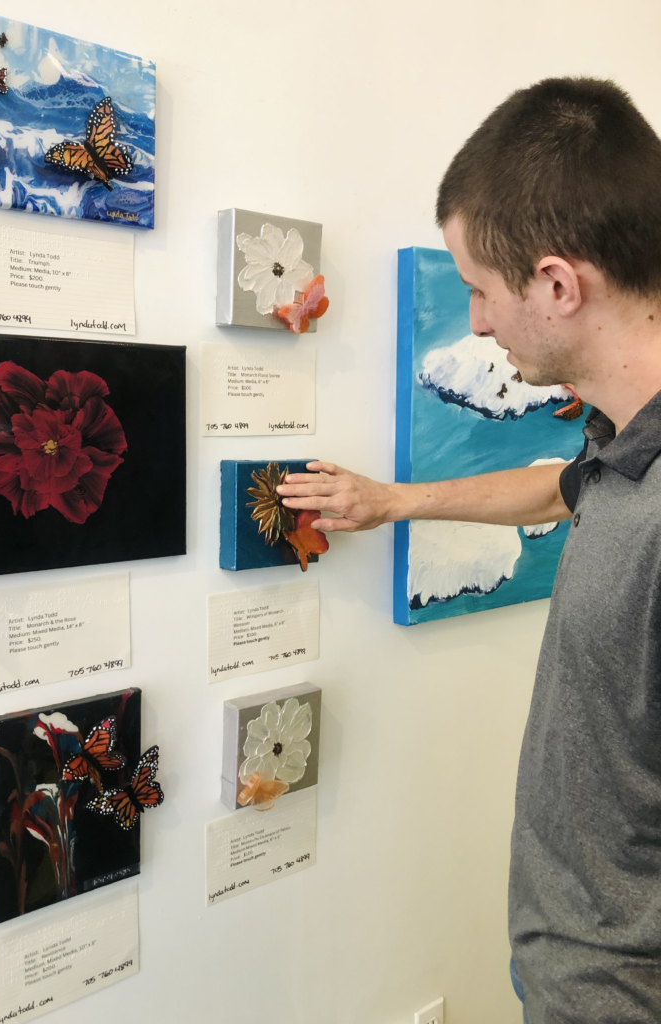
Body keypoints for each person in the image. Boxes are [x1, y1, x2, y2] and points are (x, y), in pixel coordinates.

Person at [277, 77, 661, 1024]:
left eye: (481, 291)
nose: (478, 321)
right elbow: (558, 490)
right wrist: (393, 500)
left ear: (559, 285)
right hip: (563, 962)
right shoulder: (622, 442)